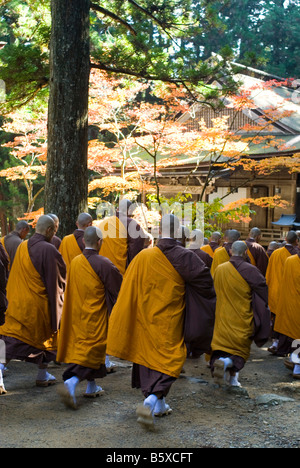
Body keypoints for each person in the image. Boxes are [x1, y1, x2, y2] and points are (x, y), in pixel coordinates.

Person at [106, 214, 216, 428]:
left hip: (144, 318)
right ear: (177, 233)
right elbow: (206, 285)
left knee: (147, 357)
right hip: (169, 319)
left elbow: (128, 289)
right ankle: (152, 398)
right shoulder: (185, 257)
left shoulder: (142, 257)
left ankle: (159, 403)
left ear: (158, 232)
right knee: (171, 359)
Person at [57, 226, 122, 409]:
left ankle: (92, 386)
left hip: (77, 315)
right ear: (100, 242)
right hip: (95, 316)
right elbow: (118, 290)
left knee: (84, 350)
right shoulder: (104, 263)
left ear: (84, 241)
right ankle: (72, 381)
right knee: (94, 350)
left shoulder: (76, 261)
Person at [0, 215, 66, 394]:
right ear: (50, 230)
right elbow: (56, 283)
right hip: (37, 306)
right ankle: (40, 373)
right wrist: (58, 306)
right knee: (44, 339)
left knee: (11, 340)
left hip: (18, 301)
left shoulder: (22, 246)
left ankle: (39, 375)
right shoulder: (49, 249)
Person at [210, 241, 270, 387]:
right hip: (241, 316)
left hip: (222, 317)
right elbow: (263, 289)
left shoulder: (219, 269)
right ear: (245, 253)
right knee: (239, 349)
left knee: (222, 347)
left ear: (230, 252)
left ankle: (230, 376)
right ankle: (227, 364)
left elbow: (213, 290)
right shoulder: (250, 270)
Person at [266, 230, 299, 355]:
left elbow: (268, 273)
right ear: (296, 242)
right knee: (294, 328)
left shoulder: (276, 253)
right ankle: (295, 361)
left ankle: (276, 344)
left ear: (286, 239)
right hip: (293, 294)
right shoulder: (294, 257)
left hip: (277, 291)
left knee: (279, 320)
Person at [97, 199, 145, 275]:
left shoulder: (103, 223)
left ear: (117, 209)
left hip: (101, 269)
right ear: (130, 210)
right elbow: (135, 250)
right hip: (119, 271)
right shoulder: (131, 224)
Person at [273, 250, 300, 378]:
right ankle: (297, 368)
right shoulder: (290, 260)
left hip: (291, 303)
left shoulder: (290, 260)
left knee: (294, 337)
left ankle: (295, 364)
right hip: (295, 303)